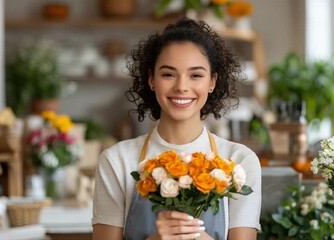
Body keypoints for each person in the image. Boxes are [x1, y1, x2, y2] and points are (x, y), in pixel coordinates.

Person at [92, 17, 262, 240]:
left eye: (196, 75)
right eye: (168, 74)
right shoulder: (117, 161)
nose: (182, 87)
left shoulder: (240, 162)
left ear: (212, 82)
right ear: (152, 79)